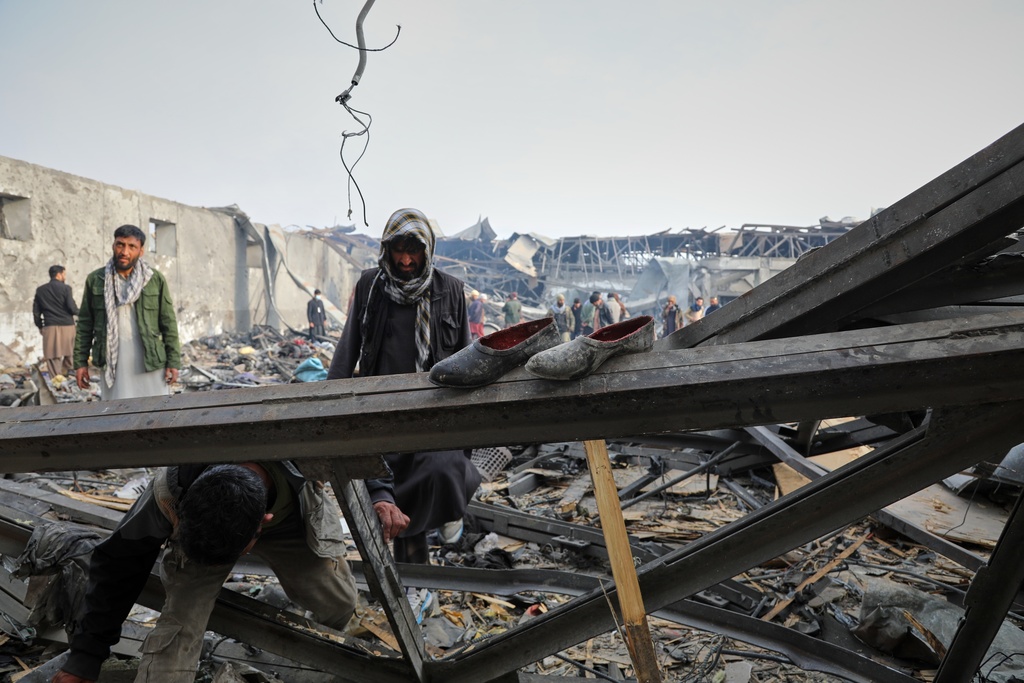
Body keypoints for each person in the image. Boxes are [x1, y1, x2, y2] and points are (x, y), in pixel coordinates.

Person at [52, 462, 360, 683]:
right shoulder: (169, 492)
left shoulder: (307, 456)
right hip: (204, 525)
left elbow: (367, 446)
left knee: (338, 602)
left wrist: (382, 496)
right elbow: (118, 567)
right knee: (179, 627)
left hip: (292, 516)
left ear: (262, 524)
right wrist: (84, 659)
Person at [327, 208, 481, 567]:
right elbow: (349, 346)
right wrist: (329, 403)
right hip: (381, 410)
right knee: (391, 495)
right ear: (387, 249)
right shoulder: (370, 286)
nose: (406, 260)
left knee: (446, 469)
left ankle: (445, 523)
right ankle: (412, 578)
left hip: (432, 409)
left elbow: (465, 355)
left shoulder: (450, 289)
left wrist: (469, 419)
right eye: (399, 251)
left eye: (414, 252)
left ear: (427, 250)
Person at [73, 225, 181, 400]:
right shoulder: (96, 280)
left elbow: (168, 323)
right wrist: (80, 363)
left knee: (155, 408)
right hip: (113, 362)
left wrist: (173, 362)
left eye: (132, 246)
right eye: (120, 245)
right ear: (113, 246)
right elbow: (85, 324)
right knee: (117, 410)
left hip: (150, 360)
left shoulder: (154, 279)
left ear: (141, 251)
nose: (125, 252)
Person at [33, 264, 79, 377]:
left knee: (53, 356)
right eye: (64, 274)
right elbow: (72, 308)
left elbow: (36, 311)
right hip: (68, 326)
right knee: (70, 352)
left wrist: (40, 326)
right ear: (59, 274)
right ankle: (70, 374)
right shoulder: (66, 288)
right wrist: (84, 313)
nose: (65, 276)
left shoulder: (40, 290)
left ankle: (57, 380)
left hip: (50, 326)